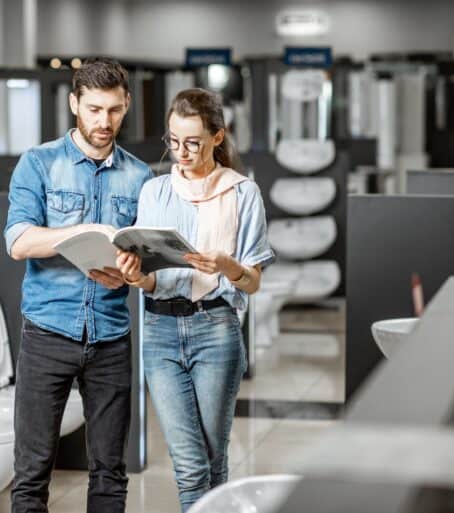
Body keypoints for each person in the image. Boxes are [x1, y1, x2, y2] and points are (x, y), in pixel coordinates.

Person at [4, 57, 153, 513]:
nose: (103, 122)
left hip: (110, 337)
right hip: (47, 333)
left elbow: (146, 269)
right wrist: (82, 234)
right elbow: (18, 240)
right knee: (31, 472)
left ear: (126, 105)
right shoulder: (39, 163)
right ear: (74, 104)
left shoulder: (141, 176)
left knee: (110, 471)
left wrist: (134, 271)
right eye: (93, 109)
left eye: (112, 110)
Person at [118, 88, 275, 512]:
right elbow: (151, 276)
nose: (180, 152)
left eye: (193, 142)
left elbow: (254, 282)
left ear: (217, 138)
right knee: (189, 465)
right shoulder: (155, 193)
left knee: (213, 459)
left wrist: (227, 266)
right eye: (173, 141)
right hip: (160, 332)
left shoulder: (243, 194)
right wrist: (138, 279)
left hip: (216, 330)